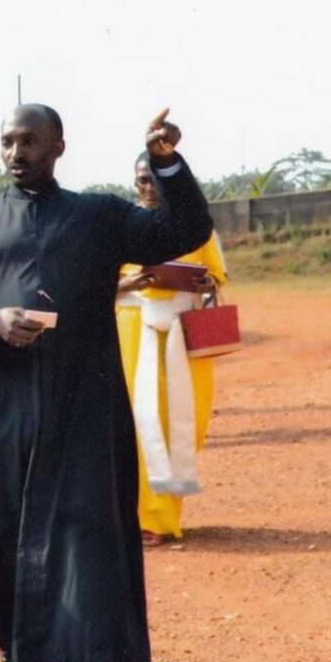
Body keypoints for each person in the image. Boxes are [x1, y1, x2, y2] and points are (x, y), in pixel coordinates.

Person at [0, 106, 213, 662]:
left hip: (80, 402)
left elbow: (185, 226)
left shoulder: (99, 216)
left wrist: (164, 159)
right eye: (7, 141)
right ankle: (17, 637)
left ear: (58, 146)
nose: (15, 151)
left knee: (68, 535)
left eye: (29, 140)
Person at [117, 153, 228, 547]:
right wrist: (131, 284)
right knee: (136, 421)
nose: (147, 187)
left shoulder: (197, 228)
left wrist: (203, 284)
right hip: (132, 333)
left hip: (183, 334)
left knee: (180, 420)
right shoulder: (122, 226)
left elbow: (216, 277)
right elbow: (99, 282)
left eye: (153, 180)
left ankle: (164, 515)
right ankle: (142, 518)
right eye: (140, 180)